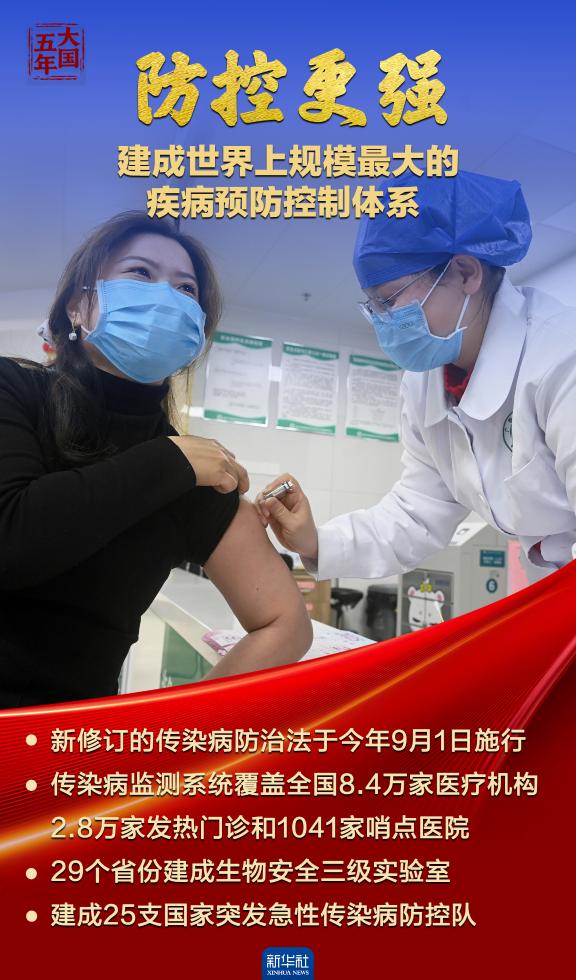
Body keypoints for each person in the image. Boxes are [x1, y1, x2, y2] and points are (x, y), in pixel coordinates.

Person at [0, 212, 312, 708]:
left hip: (71, 740)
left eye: (186, 289)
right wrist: (167, 462)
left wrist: (171, 732)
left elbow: (287, 624)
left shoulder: (197, 470)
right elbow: (11, 542)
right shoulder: (14, 390)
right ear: (79, 306)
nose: (166, 297)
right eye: (141, 273)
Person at [256, 170, 576, 585]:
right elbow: (417, 513)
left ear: (465, 273)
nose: (384, 322)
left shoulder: (560, 356)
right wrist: (317, 542)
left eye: (389, 300)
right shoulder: (424, 383)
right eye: (373, 307)